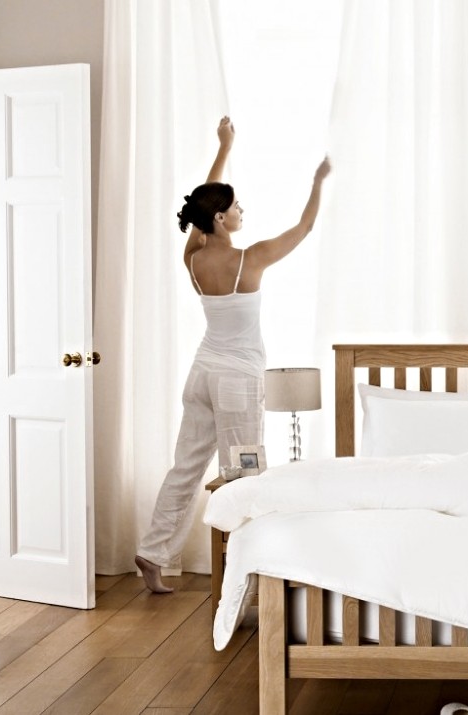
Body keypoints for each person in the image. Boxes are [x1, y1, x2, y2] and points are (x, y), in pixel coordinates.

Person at [135, 116, 331, 593]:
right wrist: (317, 180)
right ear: (221, 218)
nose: (243, 209)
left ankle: (153, 553)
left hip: (201, 373)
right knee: (244, 474)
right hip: (237, 383)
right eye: (236, 206)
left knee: (186, 467)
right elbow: (305, 228)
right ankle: (250, 572)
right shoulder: (251, 258)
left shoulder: (195, 257)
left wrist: (223, 146)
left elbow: (205, 198)